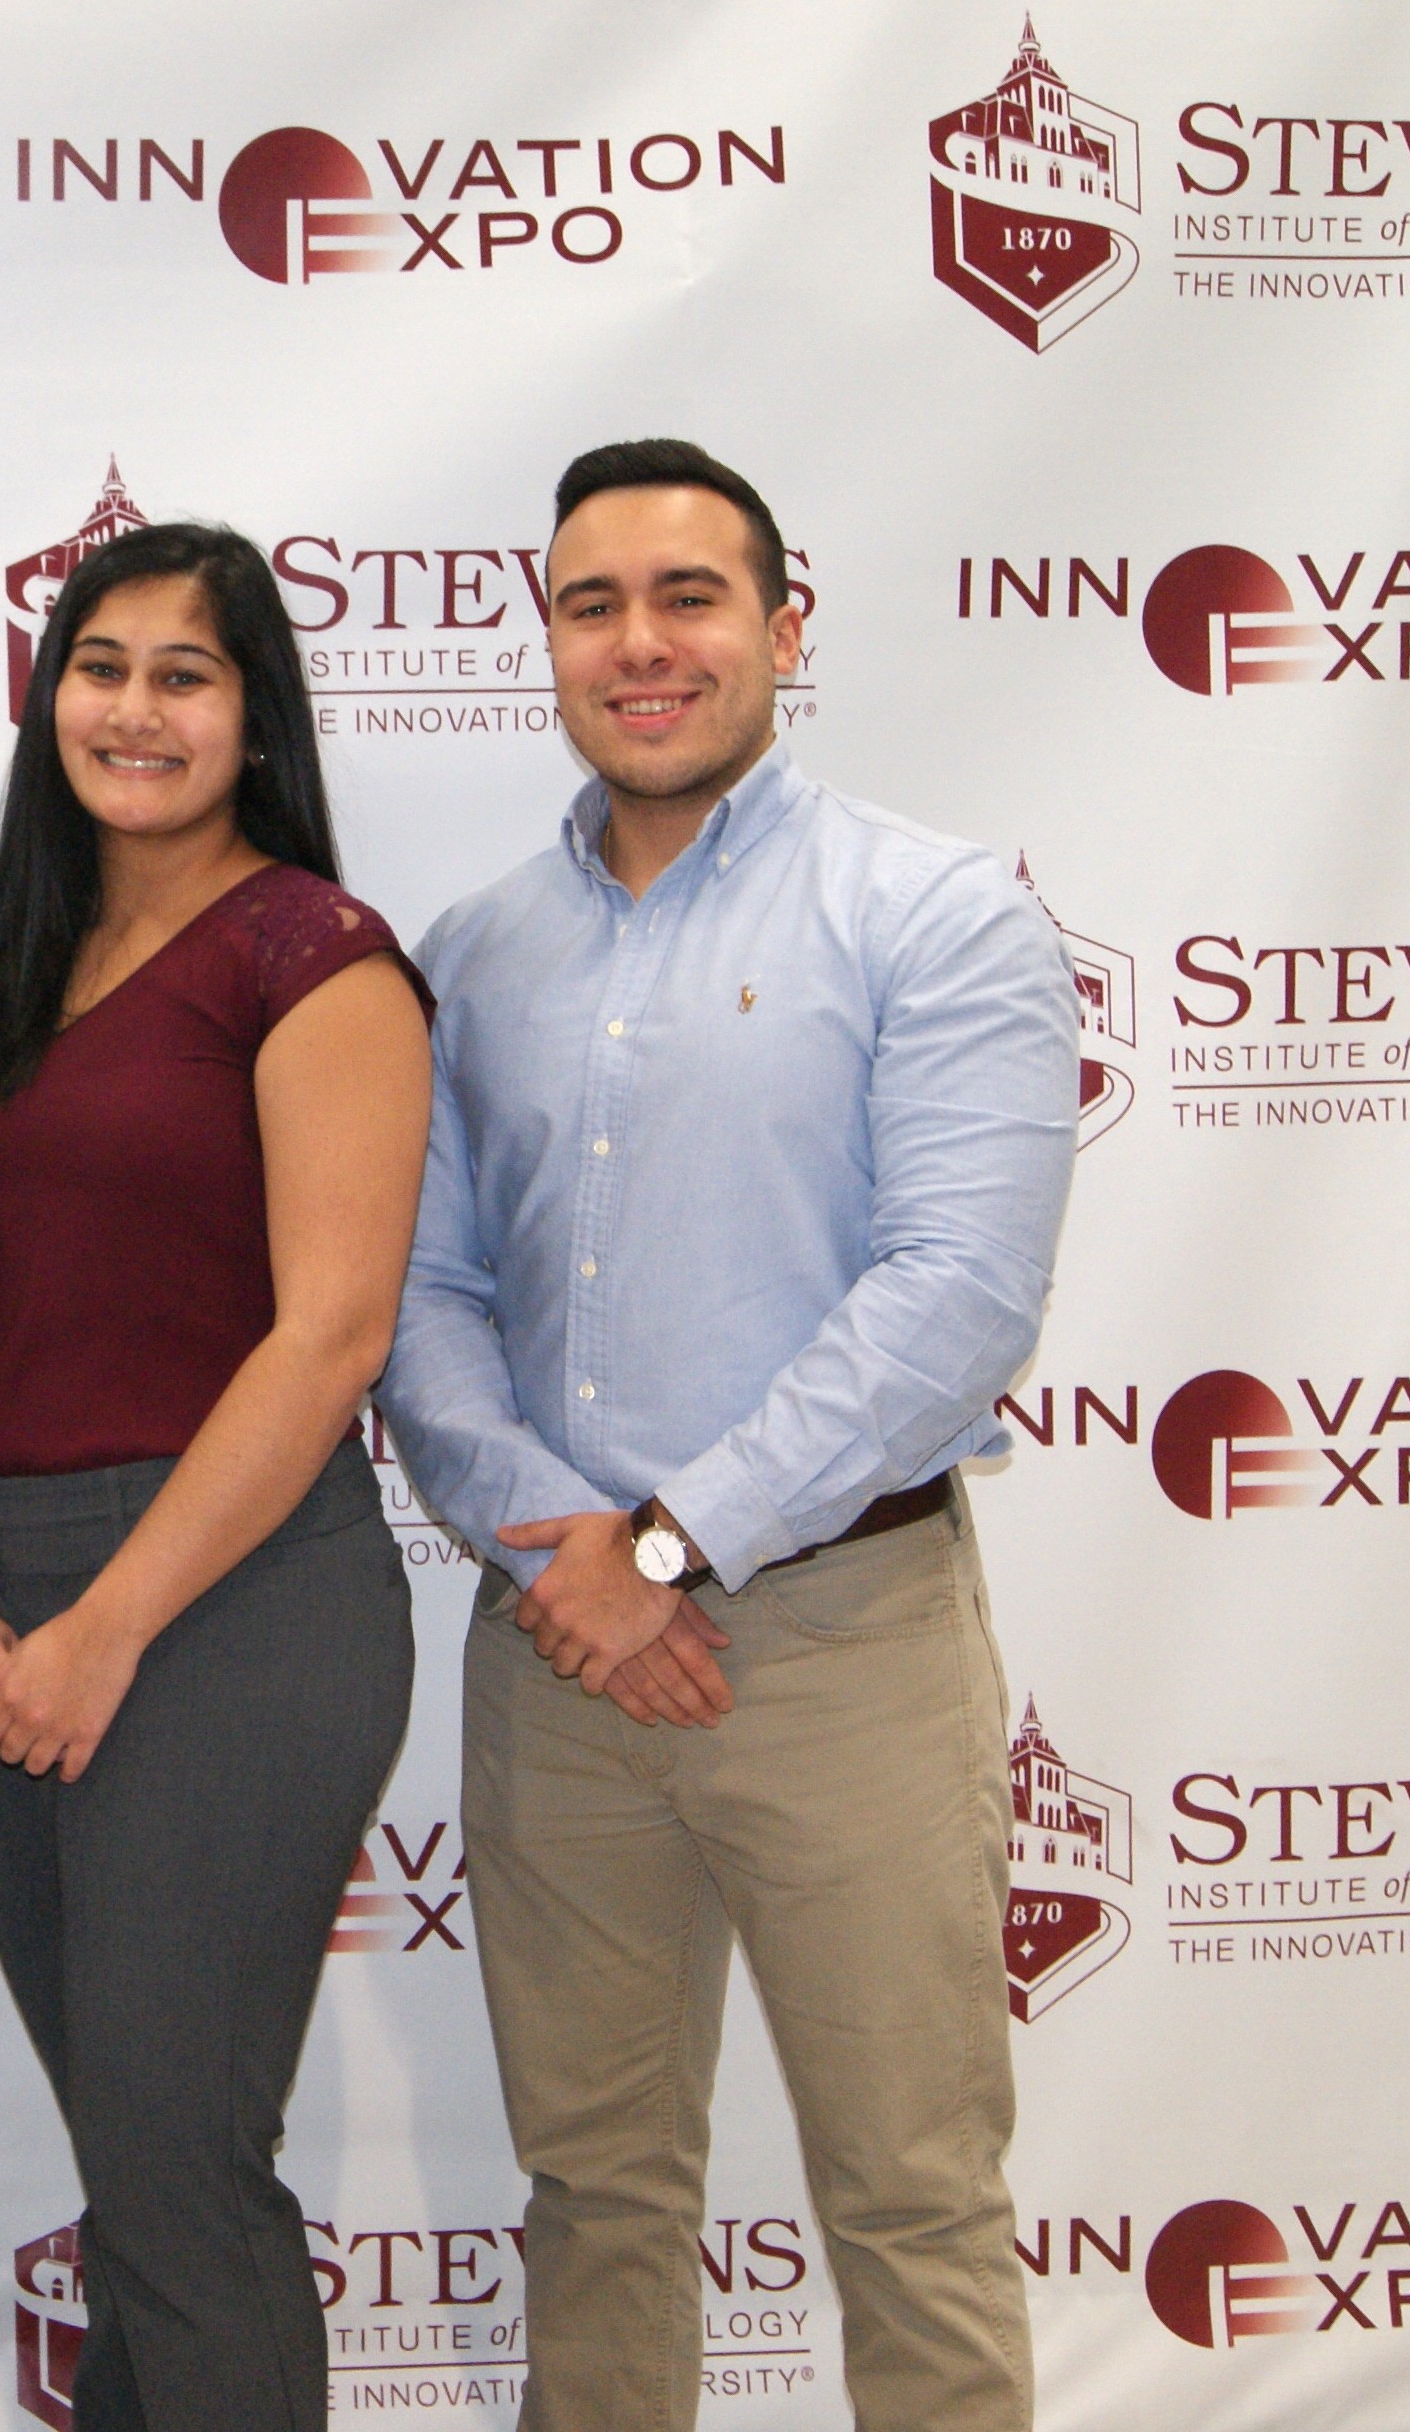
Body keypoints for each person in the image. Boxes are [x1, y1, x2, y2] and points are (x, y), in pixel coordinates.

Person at [377, 440, 1077, 2432]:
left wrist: (667, 1546)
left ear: (780, 628)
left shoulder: (931, 911)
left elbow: (956, 1299)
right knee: (594, 2190)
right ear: (550, 645)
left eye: (688, 595)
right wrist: (557, 1547)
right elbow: (419, 1301)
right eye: (592, 603)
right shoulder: (475, 947)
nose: (640, 642)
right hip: (555, 1653)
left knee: (909, 2193)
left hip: (840, 1642)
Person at [0, 522, 432, 2432]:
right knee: (139, 2166)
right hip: (3, 1602)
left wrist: (100, 1629)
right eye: (99, 665)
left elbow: (330, 1338)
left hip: (230, 1603)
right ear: (49, 701)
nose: (133, 706)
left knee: (180, 2177)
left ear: (254, 717)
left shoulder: (315, 957)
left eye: (184, 673)